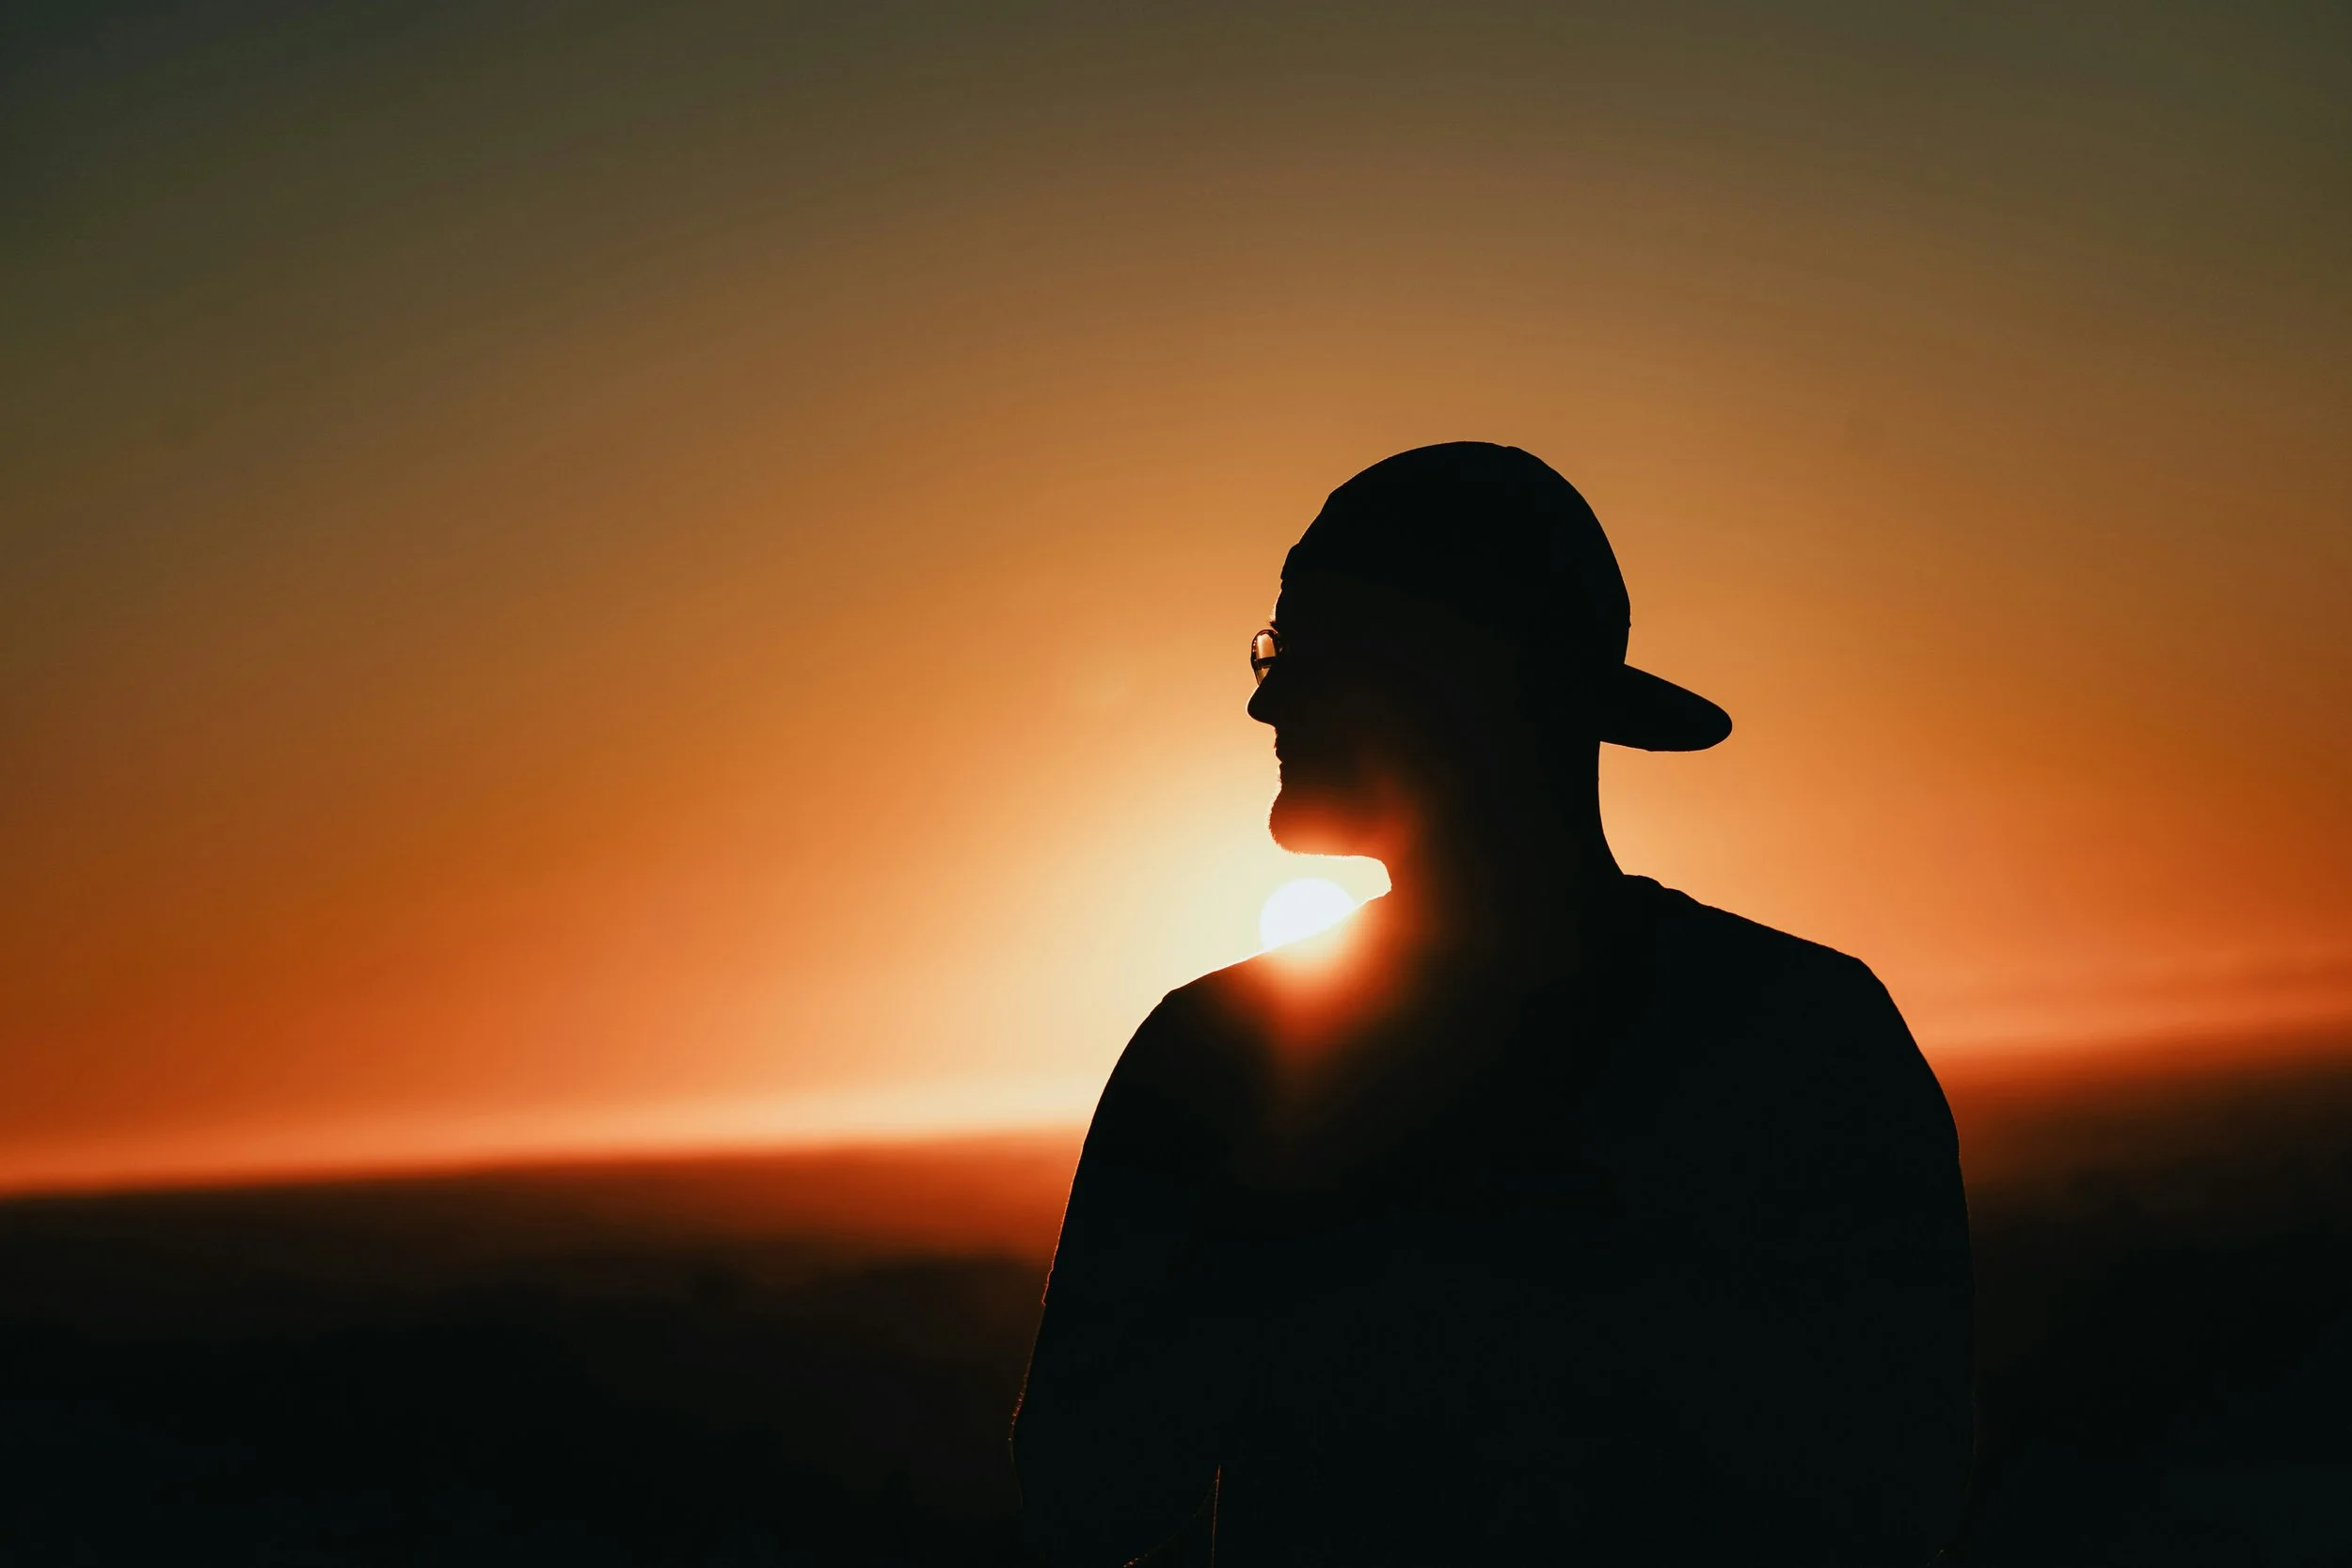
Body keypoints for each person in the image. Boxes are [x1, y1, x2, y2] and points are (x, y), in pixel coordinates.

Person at [1012, 443, 1974, 1566]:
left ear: (1447, 681)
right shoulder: (1807, 1029)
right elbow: (1901, 1486)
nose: (1264, 697)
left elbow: (1087, 1491)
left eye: (1307, 653)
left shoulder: (1222, 1059)